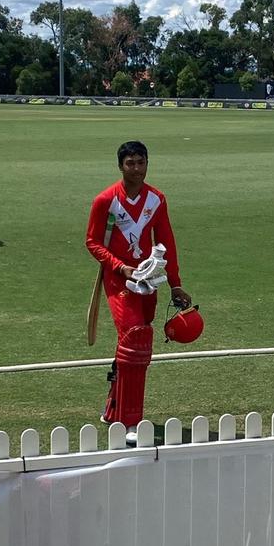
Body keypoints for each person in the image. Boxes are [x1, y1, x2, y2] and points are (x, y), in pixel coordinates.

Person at [86, 141, 191, 443]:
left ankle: (113, 405)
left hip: (149, 279)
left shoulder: (156, 199)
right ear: (120, 166)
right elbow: (93, 242)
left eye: (140, 162)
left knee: (137, 348)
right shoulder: (106, 200)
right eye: (130, 163)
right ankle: (130, 421)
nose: (136, 168)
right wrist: (120, 267)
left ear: (147, 164)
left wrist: (175, 283)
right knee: (135, 337)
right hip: (120, 281)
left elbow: (166, 241)